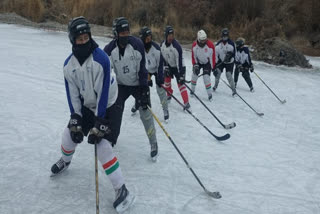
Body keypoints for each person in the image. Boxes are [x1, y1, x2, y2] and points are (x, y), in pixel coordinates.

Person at [50, 17, 134, 211]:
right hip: (88, 105)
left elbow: (103, 93)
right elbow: (72, 95)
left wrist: (99, 123)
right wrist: (76, 118)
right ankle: (65, 161)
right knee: (69, 134)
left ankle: (121, 188)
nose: (84, 41)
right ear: (73, 40)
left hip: (109, 106)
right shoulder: (68, 66)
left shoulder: (101, 59)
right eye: (79, 39)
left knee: (103, 146)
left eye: (86, 37)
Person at [104, 17, 159, 161]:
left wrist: (144, 89)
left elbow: (142, 69)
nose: (125, 36)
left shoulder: (137, 44)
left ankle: (153, 143)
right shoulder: (109, 50)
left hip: (137, 85)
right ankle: (111, 139)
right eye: (121, 33)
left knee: (145, 112)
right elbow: (105, 72)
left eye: (127, 32)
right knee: (115, 112)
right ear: (115, 33)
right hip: (121, 86)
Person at [131, 26, 169, 122]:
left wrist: (159, 79)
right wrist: (146, 77)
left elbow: (160, 65)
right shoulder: (139, 48)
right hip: (146, 70)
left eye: (150, 38)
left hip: (156, 69)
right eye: (146, 39)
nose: (149, 40)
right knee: (142, 88)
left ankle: (165, 110)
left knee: (161, 89)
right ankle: (137, 104)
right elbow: (139, 65)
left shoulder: (156, 49)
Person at [160, 25, 191, 110]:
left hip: (178, 67)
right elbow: (162, 58)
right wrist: (165, 67)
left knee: (180, 84)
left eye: (172, 35)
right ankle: (169, 93)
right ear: (165, 35)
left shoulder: (176, 46)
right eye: (169, 36)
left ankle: (186, 102)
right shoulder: (162, 45)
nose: (171, 37)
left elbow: (180, 62)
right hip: (169, 65)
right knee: (167, 82)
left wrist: (181, 75)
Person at [190, 29, 216, 101]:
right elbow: (193, 57)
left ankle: (210, 95)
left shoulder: (210, 45)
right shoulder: (194, 45)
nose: (204, 41)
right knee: (194, 76)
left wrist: (213, 67)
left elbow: (213, 57)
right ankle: (192, 91)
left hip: (206, 63)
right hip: (198, 62)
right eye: (202, 40)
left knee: (206, 78)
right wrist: (195, 65)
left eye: (205, 40)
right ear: (198, 39)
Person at [213, 28, 237, 96]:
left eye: (226, 36)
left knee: (228, 75)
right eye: (223, 36)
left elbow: (235, 54)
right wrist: (215, 65)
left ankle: (233, 90)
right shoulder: (218, 44)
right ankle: (215, 86)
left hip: (229, 62)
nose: (225, 37)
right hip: (221, 61)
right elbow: (215, 55)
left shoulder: (232, 44)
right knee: (217, 73)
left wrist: (230, 57)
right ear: (222, 36)